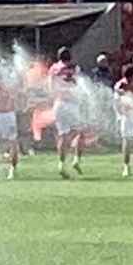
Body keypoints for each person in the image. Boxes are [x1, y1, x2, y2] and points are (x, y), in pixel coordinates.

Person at [49, 46, 83, 178]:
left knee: (62, 135)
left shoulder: (53, 69)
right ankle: (76, 159)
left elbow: (50, 88)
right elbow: (80, 84)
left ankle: (61, 165)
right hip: (72, 104)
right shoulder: (75, 68)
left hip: (59, 103)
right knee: (79, 132)